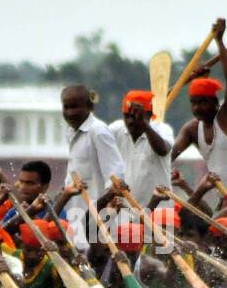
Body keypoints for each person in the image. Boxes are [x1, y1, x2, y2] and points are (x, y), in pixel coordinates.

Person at [172, 18, 227, 200]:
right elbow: (168, 157)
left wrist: (219, 41)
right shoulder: (191, 130)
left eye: (202, 102)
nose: (197, 108)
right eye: (193, 102)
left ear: (215, 103)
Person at [61, 83, 126, 230]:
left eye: (75, 107)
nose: (70, 112)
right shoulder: (71, 132)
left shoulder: (98, 131)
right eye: (66, 107)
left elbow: (115, 172)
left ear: (90, 107)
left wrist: (110, 207)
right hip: (76, 215)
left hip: (97, 219)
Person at [110, 90, 174, 207]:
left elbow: (163, 150)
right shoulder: (116, 129)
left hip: (160, 211)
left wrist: (144, 125)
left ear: (149, 115)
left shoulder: (163, 129)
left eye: (136, 117)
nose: (130, 121)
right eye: (127, 116)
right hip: (126, 209)